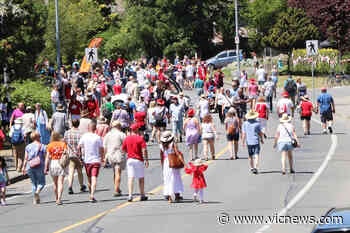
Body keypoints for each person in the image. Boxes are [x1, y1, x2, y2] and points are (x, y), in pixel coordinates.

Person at [78, 121, 105, 203]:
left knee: (90, 179)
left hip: (87, 160)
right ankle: (92, 195)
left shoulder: (84, 136)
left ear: (88, 128)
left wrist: (80, 156)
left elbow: (78, 146)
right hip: (95, 160)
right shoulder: (97, 137)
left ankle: (91, 194)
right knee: (93, 178)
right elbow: (101, 149)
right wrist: (102, 158)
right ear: (95, 128)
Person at [122, 123, 149, 202]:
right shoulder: (140, 138)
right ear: (137, 129)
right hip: (138, 159)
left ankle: (130, 195)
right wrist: (146, 159)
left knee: (130, 177)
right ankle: (142, 194)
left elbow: (123, 149)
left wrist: (129, 152)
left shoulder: (127, 138)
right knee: (141, 178)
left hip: (130, 159)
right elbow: (144, 150)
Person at [159, 131, 184, 203]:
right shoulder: (173, 144)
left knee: (167, 179)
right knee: (175, 178)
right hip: (173, 161)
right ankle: (177, 195)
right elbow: (178, 154)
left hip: (166, 162)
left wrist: (162, 165)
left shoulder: (161, 145)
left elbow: (161, 156)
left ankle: (169, 197)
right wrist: (184, 163)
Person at [22, 132, 46, 204]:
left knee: (33, 183)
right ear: (38, 137)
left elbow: (26, 158)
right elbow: (45, 157)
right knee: (42, 182)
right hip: (39, 165)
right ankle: (37, 192)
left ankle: (35, 200)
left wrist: (23, 167)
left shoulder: (28, 146)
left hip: (30, 166)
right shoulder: (42, 146)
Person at [64, 119, 87, 195]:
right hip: (78, 154)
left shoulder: (67, 133)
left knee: (71, 171)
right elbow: (82, 145)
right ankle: (81, 185)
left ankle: (70, 186)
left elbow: (64, 142)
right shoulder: (81, 133)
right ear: (78, 124)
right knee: (79, 171)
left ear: (72, 124)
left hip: (70, 154)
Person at [104, 121, 127, 197]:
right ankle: (116, 190)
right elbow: (126, 144)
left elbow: (105, 147)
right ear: (118, 126)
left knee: (115, 172)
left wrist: (104, 157)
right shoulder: (121, 134)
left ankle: (117, 187)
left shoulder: (108, 135)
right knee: (118, 173)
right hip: (119, 155)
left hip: (110, 155)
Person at [45, 131, 67, 205]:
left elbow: (47, 157)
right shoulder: (63, 144)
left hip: (53, 163)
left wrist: (45, 167)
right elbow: (66, 153)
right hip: (61, 163)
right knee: (60, 182)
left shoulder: (49, 145)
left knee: (55, 183)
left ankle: (56, 198)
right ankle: (59, 199)